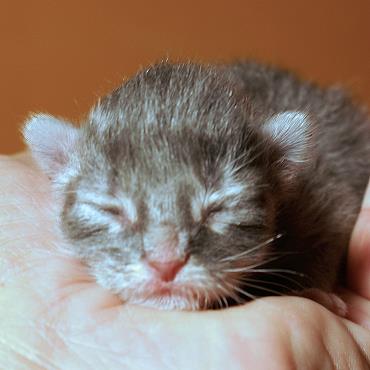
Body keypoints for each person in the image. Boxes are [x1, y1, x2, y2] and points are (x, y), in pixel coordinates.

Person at [0, 152, 369, 369]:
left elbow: (332, 205)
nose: (165, 261)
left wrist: (310, 283)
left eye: (218, 209)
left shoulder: (294, 194)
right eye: (112, 210)